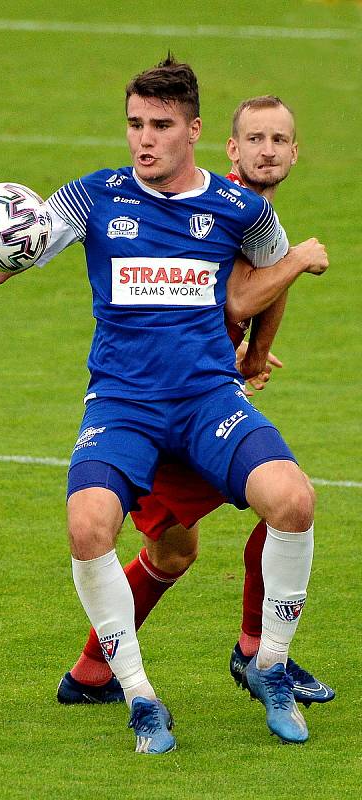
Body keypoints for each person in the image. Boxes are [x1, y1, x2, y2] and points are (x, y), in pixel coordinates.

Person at [0, 57, 329, 754]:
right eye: (134, 124)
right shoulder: (94, 197)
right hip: (123, 404)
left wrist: (252, 355)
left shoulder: (240, 208)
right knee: (88, 524)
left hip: (207, 399)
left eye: (159, 126)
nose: (143, 139)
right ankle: (139, 696)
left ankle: (271, 665)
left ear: (193, 130)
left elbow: (273, 277)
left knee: (295, 500)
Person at [57, 95, 335, 712]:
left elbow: (260, 285)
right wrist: (287, 276)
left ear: (295, 151)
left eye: (279, 140)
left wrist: (258, 351)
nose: (268, 150)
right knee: (181, 546)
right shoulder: (227, 205)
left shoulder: (254, 209)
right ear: (229, 147)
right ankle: (246, 652)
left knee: (273, 506)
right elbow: (245, 294)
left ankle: (103, 670)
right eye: (256, 138)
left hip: (205, 397)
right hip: (155, 406)